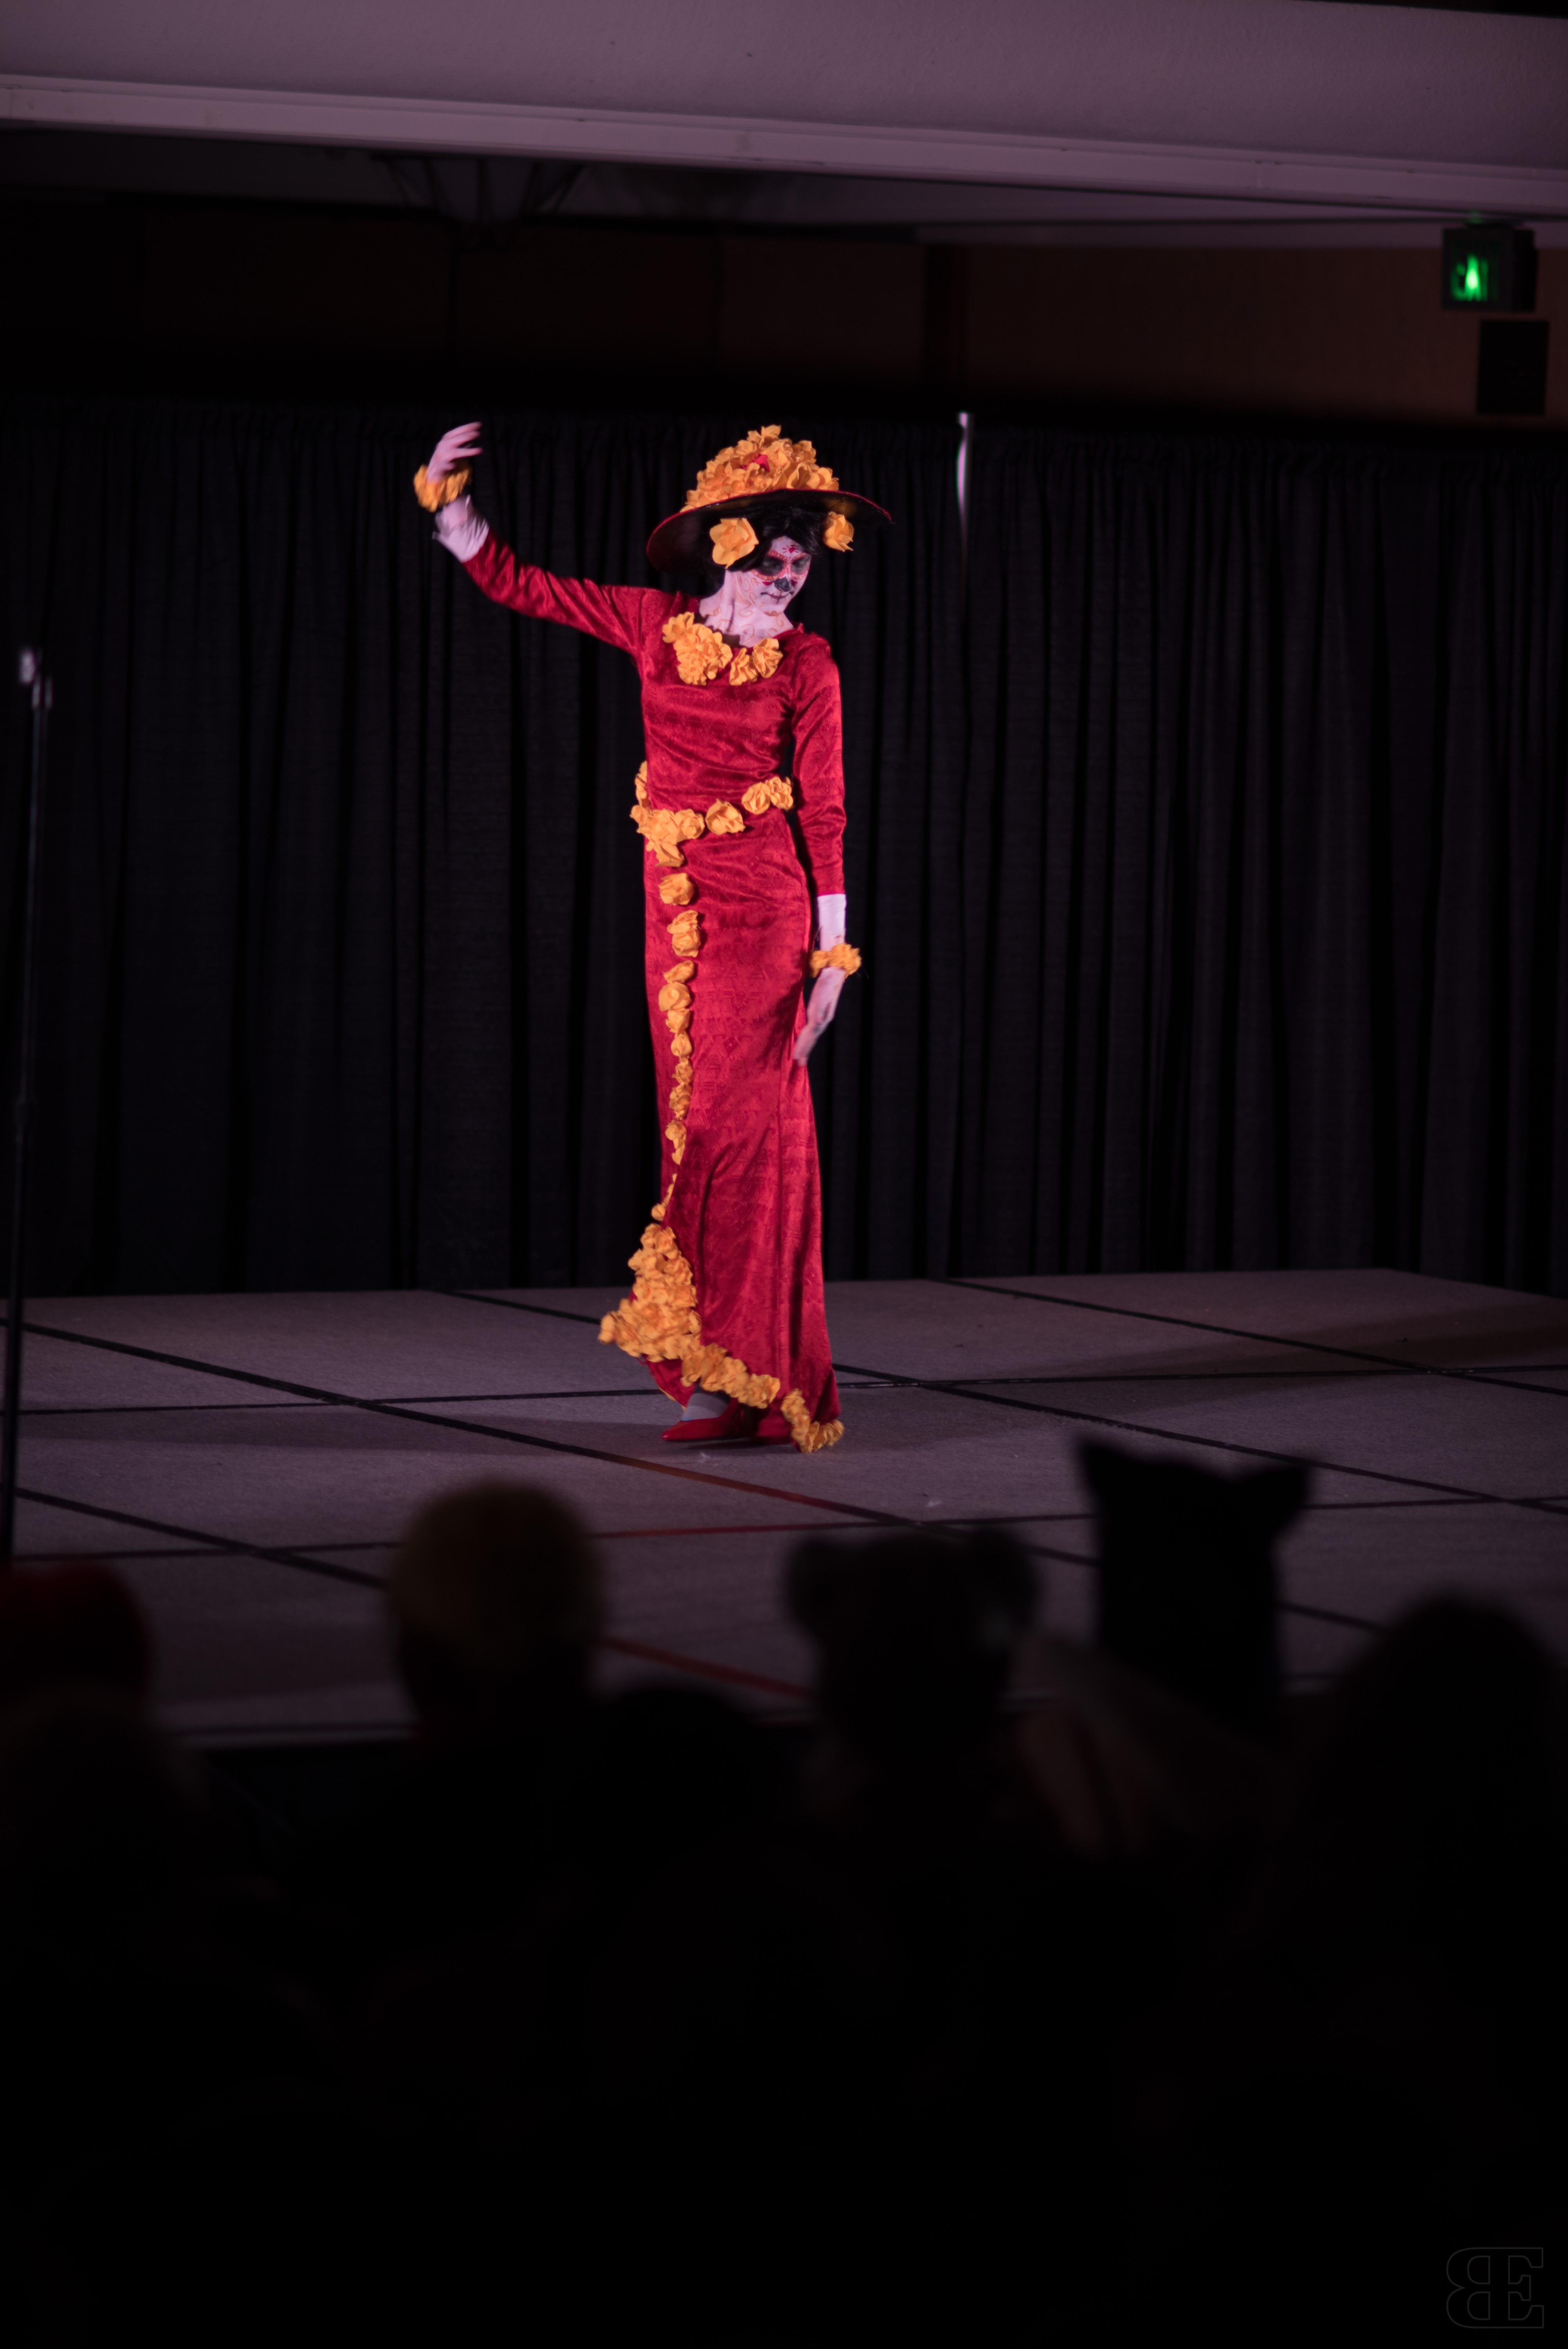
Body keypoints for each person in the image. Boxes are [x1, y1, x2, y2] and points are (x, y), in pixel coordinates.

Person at [414, 423, 889, 1450]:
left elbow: (827, 812)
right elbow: (524, 587)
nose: (788, 577)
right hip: (675, 910)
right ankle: (729, 1377)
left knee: (742, 1134)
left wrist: (833, 960)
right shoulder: (653, 625)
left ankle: (763, 1373)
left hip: (766, 914)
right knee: (690, 1131)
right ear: (727, 551)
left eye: (802, 562)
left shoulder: (807, 664)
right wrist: (454, 509)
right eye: (772, 557)